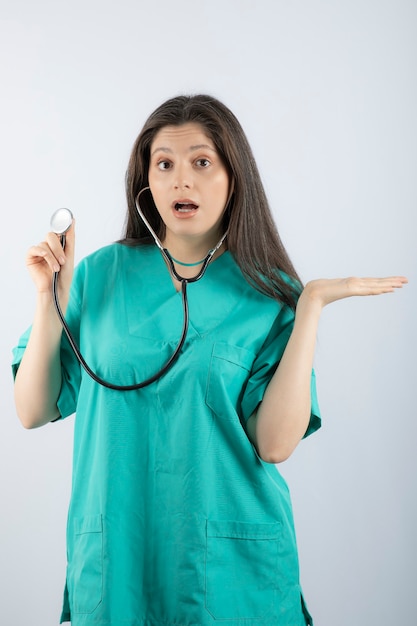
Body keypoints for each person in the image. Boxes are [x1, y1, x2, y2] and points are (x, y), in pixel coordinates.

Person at [12, 94, 407, 626]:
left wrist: (309, 305)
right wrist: (47, 299)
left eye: (201, 162)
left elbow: (275, 442)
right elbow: (33, 409)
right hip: (119, 558)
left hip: (230, 570)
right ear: (145, 183)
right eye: (164, 164)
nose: (181, 181)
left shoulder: (269, 292)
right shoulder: (99, 275)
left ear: (233, 176)